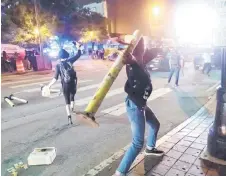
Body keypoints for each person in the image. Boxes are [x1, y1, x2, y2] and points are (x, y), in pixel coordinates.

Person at [114, 38, 164, 176]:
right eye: (141, 50)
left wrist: (159, 47)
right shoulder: (134, 65)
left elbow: (149, 52)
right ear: (135, 53)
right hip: (135, 106)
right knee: (137, 143)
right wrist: (128, 57)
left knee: (155, 124)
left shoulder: (140, 61)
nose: (144, 51)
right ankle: (120, 172)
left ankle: (150, 148)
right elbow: (131, 60)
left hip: (141, 104)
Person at [46, 42, 82, 125]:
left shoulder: (58, 66)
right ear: (66, 55)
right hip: (72, 83)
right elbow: (78, 54)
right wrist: (78, 47)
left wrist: (49, 86)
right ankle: (73, 109)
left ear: (59, 57)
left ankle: (69, 117)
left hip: (65, 85)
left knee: (67, 101)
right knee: (72, 97)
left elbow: (55, 78)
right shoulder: (70, 61)